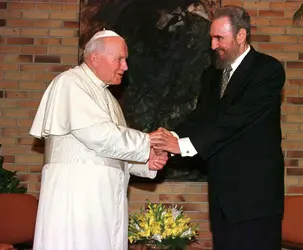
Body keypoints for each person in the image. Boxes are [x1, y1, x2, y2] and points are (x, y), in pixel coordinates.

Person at [151, 5, 286, 250]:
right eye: (211, 38)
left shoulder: (268, 70)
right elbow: (200, 117)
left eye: (219, 38)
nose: (213, 45)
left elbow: (235, 119)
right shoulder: (211, 76)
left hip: (255, 199)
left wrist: (182, 146)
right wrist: (168, 137)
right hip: (223, 198)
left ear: (241, 36)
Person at [30, 30, 168, 250]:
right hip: (77, 197)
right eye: (119, 59)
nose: (125, 67)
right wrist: (147, 141)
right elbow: (98, 135)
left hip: (102, 198)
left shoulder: (108, 98)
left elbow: (111, 150)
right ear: (95, 58)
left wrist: (145, 162)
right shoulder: (71, 83)